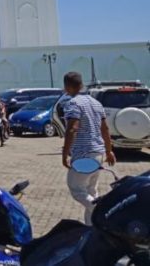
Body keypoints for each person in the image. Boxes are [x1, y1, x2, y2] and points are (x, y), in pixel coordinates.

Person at [61, 71, 115, 225]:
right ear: (81, 84)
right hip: (98, 154)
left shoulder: (73, 103)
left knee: (77, 189)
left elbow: (72, 128)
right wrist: (109, 151)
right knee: (91, 191)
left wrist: (65, 153)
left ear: (67, 87)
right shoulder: (96, 103)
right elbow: (105, 129)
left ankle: (103, 211)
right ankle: (91, 228)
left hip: (84, 153)